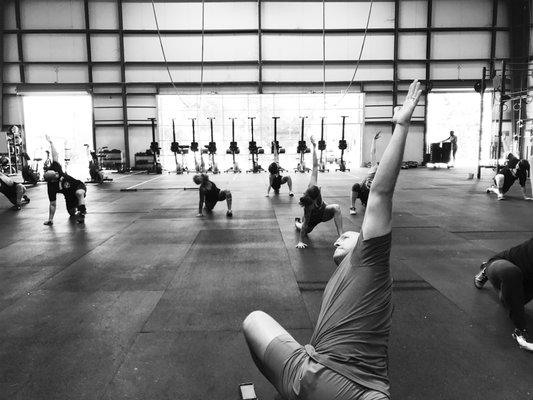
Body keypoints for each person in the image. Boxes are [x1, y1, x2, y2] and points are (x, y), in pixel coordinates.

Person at [243, 80, 422, 400]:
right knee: (253, 320)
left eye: (351, 236)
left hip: (359, 391)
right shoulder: (342, 270)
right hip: (304, 370)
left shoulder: (371, 260)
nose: (343, 241)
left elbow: (381, 192)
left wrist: (403, 125)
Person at [474, 238, 533, 352]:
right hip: (502, 264)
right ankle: (487, 269)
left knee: (509, 301)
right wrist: (520, 328)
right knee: (511, 273)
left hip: (525, 281)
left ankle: (508, 291)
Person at [294, 136, 343, 249]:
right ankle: (297, 223)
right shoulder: (308, 208)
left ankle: (341, 236)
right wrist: (300, 241)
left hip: (323, 212)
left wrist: (314, 147)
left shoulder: (314, 185)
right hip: (311, 219)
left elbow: (315, 166)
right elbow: (306, 222)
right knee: (303, 228)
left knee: (336, 207)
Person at [43, 135, 88, 225]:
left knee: (79, 193)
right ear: (52, 180)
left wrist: (51, 143)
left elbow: (55, 155)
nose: (57, 173)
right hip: (69, 196)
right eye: (55, 175)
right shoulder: (51, 187)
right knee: (71, 213)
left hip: (78, 186)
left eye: (55, 172)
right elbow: (52, 204)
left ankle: (82, 213)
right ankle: (77, 205)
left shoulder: (56, 168)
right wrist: (50, 219)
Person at [350, 131, 381, 215]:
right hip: (363, 192)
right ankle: (352, 207)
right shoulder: (374, 167)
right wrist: (374, 140)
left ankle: (368, 204)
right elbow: (372, 153)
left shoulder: (384, 176)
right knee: (356, 186)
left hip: (371, 196)